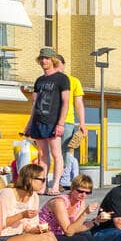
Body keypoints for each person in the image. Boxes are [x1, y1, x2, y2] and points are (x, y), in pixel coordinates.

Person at [25, 48, 70, 194]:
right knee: (42, 155)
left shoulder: (62, 79)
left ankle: (56, 185)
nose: (44, 61)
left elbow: (66, 102)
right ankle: (42, 185)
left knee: (57, 154)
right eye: (42, 58)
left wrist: (60, 123)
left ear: (53, 60)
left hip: (53, 121)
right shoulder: (39, 80)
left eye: (47, 58)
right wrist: (29, 124)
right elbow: (35, 104)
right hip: (38, 121)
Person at [40, 173, 99, 241]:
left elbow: (75, 228)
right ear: (72, 188)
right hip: (46, 235)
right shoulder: (59, 202)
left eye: (87, 193)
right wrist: (85, 213)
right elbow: (68, 232)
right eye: (80, 191)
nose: (83, 195)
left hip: (60, 234)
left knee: (88, 238)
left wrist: (96, 221)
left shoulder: (80, 203)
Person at [53, 53, 87, 166]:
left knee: (65, 150)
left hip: (67, 121)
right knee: (51, 151)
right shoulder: (48, 81)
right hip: (50, 121)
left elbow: (79, 103)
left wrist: (82, 123)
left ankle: (65, 174)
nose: (56, 67)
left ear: (64, 65)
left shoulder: (73, 81)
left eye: (58, 64)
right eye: (54, 64)